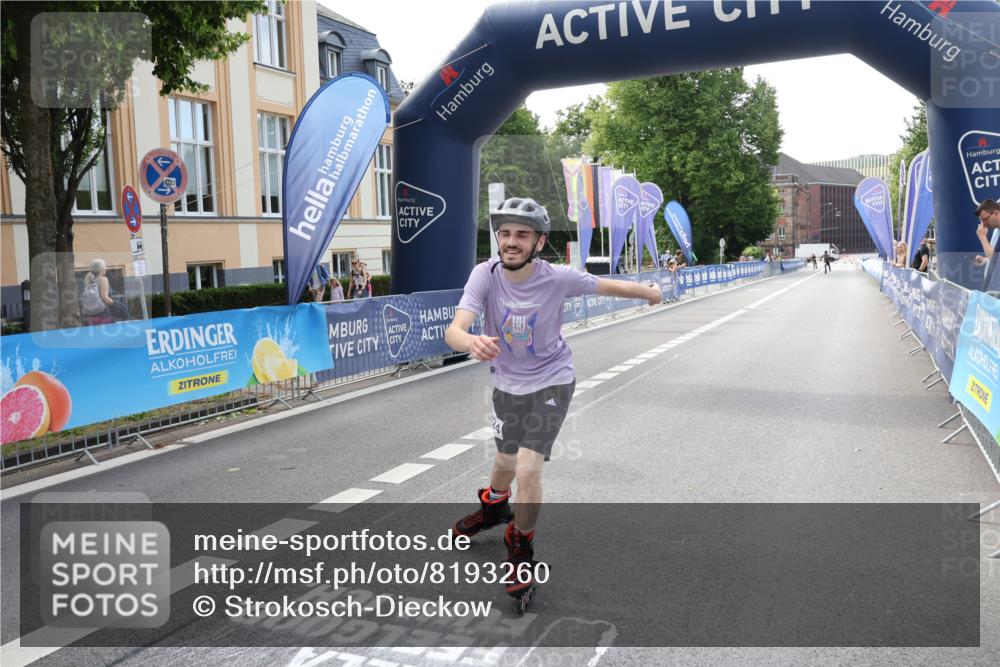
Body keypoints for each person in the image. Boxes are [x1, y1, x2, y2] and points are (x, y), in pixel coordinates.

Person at [445, 196, 661, 606]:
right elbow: (455, 329)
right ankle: (493, 506)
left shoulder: (556, 277)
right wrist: (470, 340)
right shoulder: (484, 275)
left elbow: (608, 285)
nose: (511, 242)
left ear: (539, 242)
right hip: (507, 384)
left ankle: (520, 545)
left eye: (522, 235)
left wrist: (649, 291)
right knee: (505, 462)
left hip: (552, 380)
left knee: (528, 468)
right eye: (505, 233)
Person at [975, 199, 1000, 291]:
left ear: (996, 213)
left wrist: (983, 238)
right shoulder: (996, 231)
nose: (984, 224)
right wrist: (985, 260)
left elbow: (996, 259)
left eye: (985, 219)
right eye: (982, 221)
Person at [80, 258, 115, 325]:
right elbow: (104, 297)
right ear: (102, 269)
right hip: (103, 315)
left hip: (91, 316)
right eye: (104, 267)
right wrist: (115, 303)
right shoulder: (103, 279)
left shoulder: (89, 280)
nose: (106, 269)